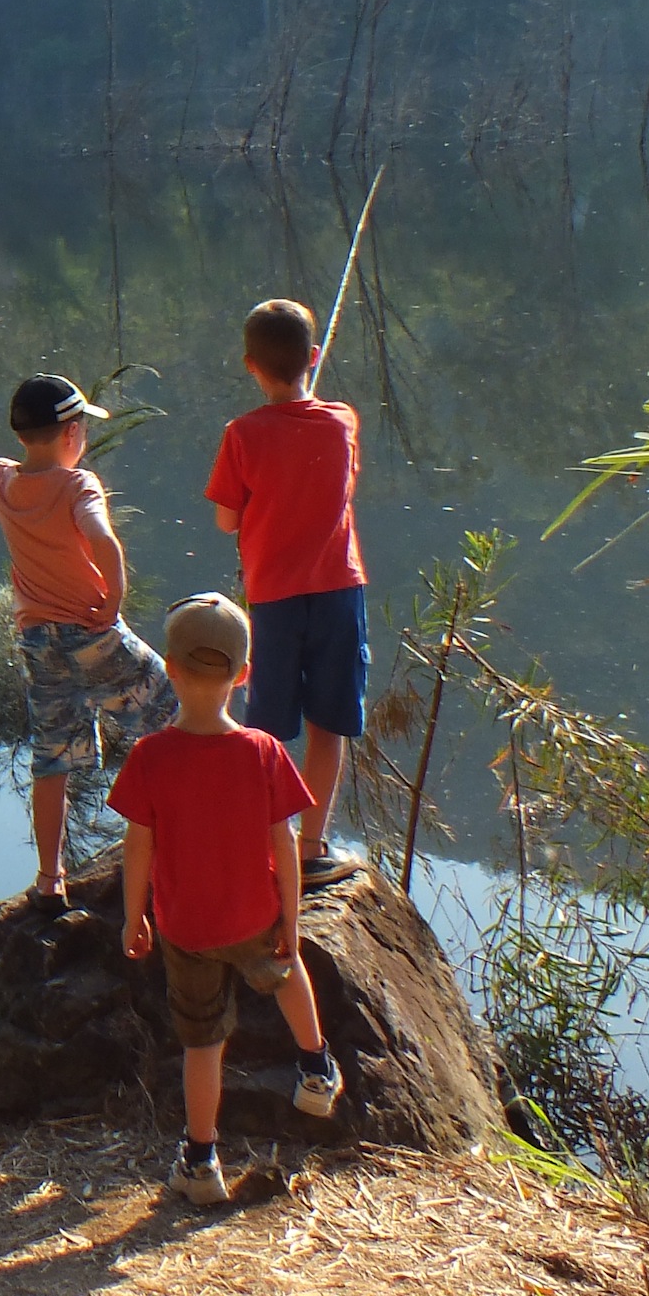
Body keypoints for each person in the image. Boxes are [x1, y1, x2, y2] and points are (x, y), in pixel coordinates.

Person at [0, 374, 178, 903]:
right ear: (71, 434)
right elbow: (103, 540)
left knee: (52, 757)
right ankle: (183, 838)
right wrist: (114, 596)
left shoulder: (3, 481)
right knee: (173, 713)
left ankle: (50, 879)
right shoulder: (78, 486)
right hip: (94, 637)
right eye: (83, 430)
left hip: (39, 645)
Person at [111, 592, 342, 1206]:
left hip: (186, 929)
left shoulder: (150, 756)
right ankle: (316, 1067)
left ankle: (201, 1158)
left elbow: (138, 848)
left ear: (169, 668)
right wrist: (291, 919)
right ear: (244, 675)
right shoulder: (263, 752)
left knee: (202, 1045)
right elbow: (286, 843)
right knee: (285, 971)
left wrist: (134, 919)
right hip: (254, 916)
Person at [205, 297, 367, 880]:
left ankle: (258, 841)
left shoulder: (242, 433)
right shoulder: (343, 420)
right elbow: (340, 486)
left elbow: (227, 519)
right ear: (315, 357)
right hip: (337, 593)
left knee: (265, 726)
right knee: (330, 721)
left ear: (251, 365)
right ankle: (313, 847)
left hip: (273, 597)